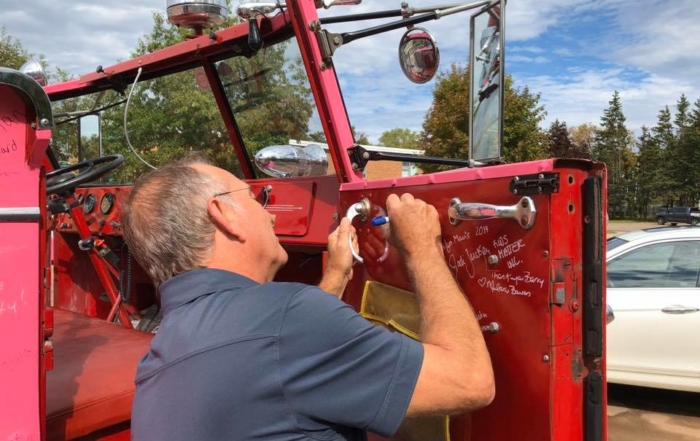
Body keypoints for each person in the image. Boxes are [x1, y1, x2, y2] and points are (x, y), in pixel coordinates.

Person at [123, 155, 494, 441]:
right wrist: (422, 248)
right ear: (224, 215)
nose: (270, 216)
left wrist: (335, 276)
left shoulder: (160, 353)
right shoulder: (289, 318)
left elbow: (272, 352)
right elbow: (470, 381)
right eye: (254, 198)